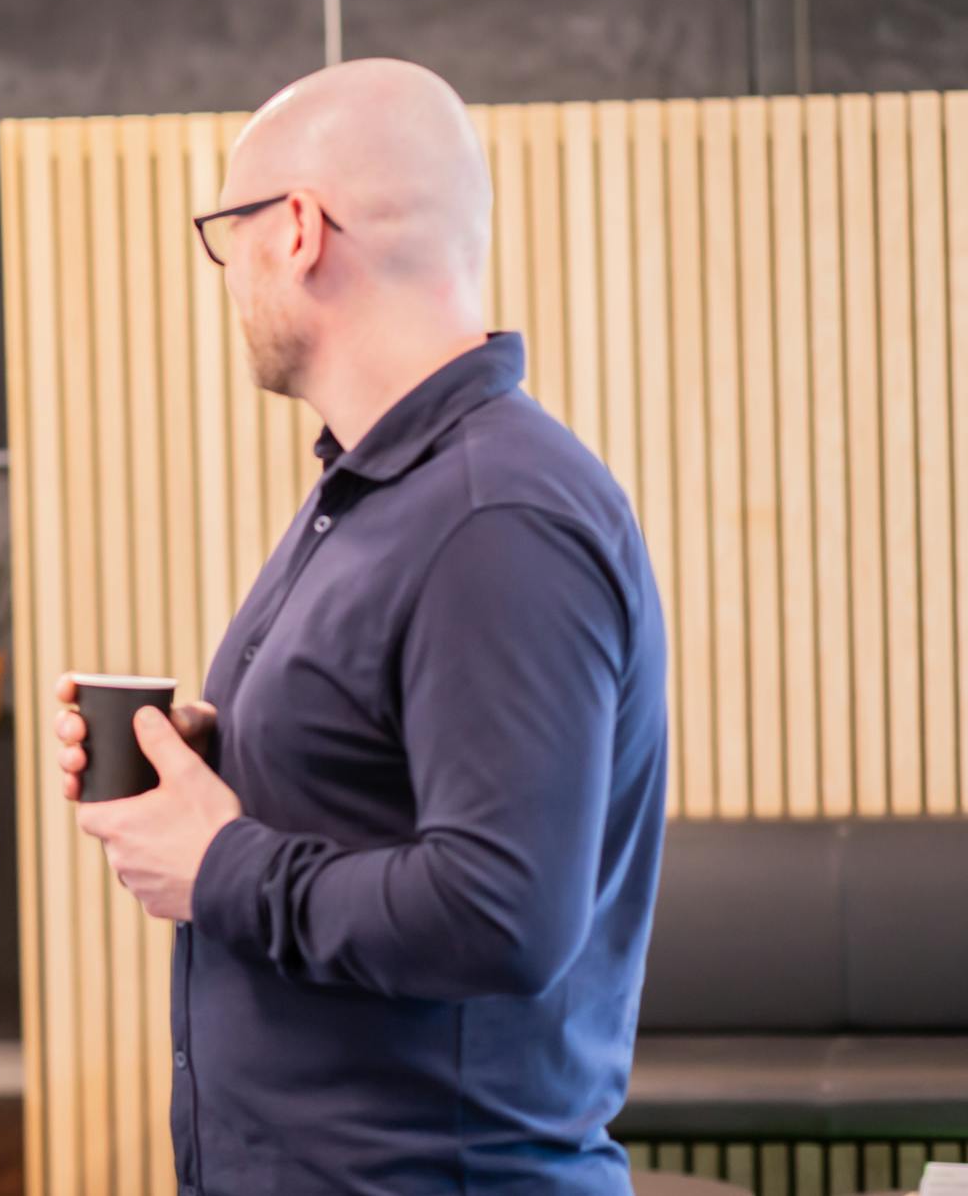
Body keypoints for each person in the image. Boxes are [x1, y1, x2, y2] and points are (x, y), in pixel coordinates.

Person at [53, 60, 668, 1195]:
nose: (224, 272)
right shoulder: (381, 491)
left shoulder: (493, 515)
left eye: (224, 232)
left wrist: (220, 865)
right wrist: (225, 766)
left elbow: (501, 914)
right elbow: (388, 792)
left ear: (293, 229)